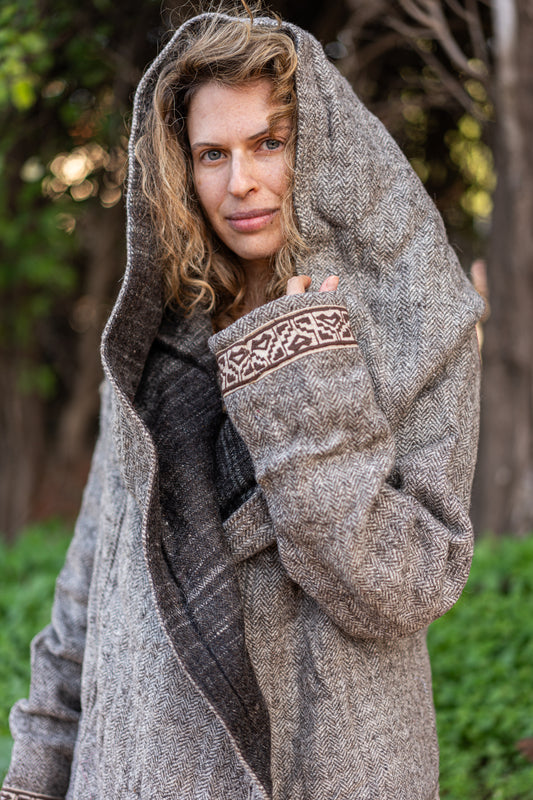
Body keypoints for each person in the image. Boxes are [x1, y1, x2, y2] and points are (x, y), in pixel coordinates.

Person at [1, 7, 485, 800]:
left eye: (269, 142)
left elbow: (408, 586)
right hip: (137, 764)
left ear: (321, 147)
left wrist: (303, 392)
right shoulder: (155, 337)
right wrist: (36, 770)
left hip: (316, 763)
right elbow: (96, 575)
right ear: (181, 172)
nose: (241, 182)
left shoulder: (414, 330)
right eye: (211, 154)